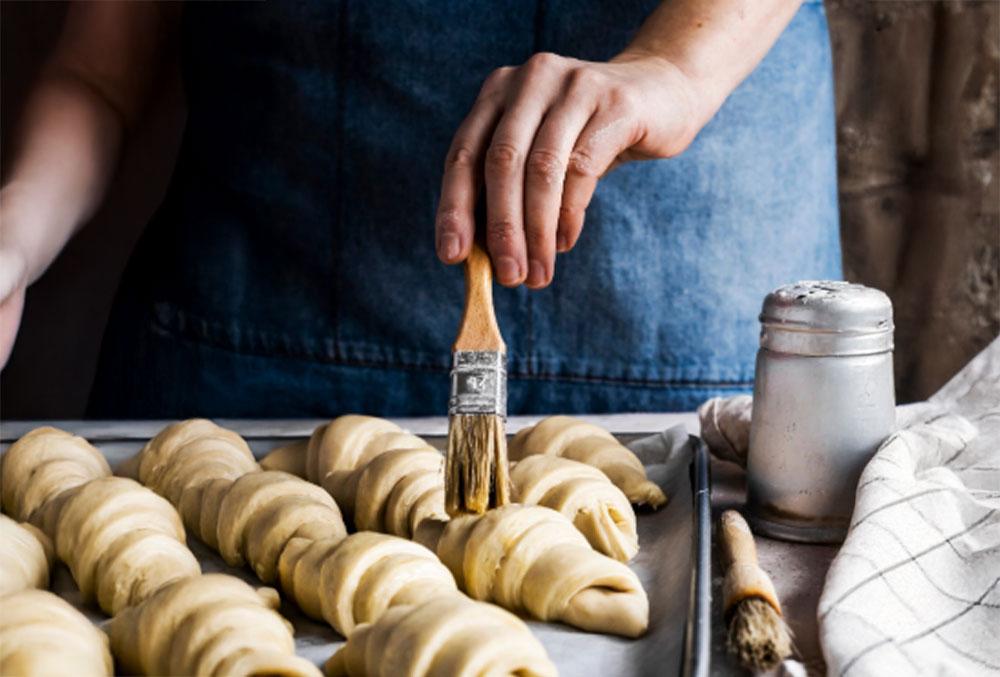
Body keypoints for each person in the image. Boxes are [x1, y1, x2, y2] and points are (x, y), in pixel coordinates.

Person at [0, 0, 841, 418]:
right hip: (247, 353)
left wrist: (677, 65)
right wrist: (16, 232)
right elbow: (101, 70)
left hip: (693, 377)